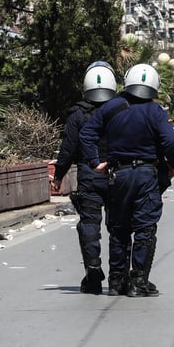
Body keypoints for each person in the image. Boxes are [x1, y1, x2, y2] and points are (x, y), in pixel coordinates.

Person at [79, 63, 174, 297]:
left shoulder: (111, 107)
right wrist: (172, 165)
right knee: (145, 228)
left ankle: (116, 282)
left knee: (119, 229)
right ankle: (138, 283)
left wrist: (95, 162)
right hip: (146, 175)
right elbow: (173, 141)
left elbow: (87, 134)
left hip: (118, 175)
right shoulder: (155, 111)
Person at [49, 61, 118, 294]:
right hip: (117, 174)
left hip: (89, 174)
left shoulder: (77, 114)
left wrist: (58, 175)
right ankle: (118, 278)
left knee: (89, 224)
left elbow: (68, 148)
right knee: (119, 226)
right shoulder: (122, 111)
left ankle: (93, 270)